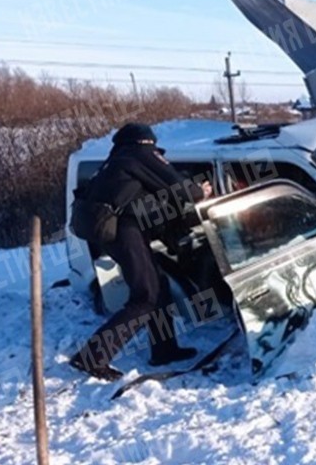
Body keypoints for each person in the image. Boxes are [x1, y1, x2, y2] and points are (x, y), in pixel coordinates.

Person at [71, 123, 212, 381]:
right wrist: (199, 191)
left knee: (159, 286)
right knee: (145, 296)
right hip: (125, 231)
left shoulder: (117, 158)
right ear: (147, 141)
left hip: (114, 231)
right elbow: (179, 187)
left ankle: (164, 350)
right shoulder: (139, 154)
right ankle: (91, 357)